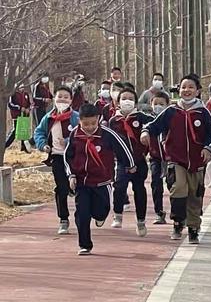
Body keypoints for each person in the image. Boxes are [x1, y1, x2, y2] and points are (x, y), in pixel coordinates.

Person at [140, 74, 211, 244]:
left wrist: (207, 148)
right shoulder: (171, 111)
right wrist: (145, 133)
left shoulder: (203, 112)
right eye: (183, 87)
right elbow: (153, 125)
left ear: (198, 91)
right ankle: (177, 223)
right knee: (178, 188)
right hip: (176, 159)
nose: (187, 90)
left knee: (194, 194)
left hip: (197, 162)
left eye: (191, 87)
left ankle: (193, 228)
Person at [64, 103, 136, 255]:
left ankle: (99, 216)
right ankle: (85, 244)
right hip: (81, 182)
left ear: (98, 119)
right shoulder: (75, 135)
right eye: (85, 124)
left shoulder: (107, 134)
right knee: (82, 213)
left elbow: (122, 148)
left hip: (102, 181)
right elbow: (67, 156)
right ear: (79, 121)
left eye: (92, 123)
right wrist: (71, 174)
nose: (89, 127)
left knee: (101, 211)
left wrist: (130, 164)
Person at [34, 86, 80, 234]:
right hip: (57, 157)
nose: (62, 99)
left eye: (66, 97)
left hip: (75, 157)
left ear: (71, 100)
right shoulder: (48, 118)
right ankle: (63, 219)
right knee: (61, 187)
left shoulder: (76, 117)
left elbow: (82, 134)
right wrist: (43, 145)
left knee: (79, 187)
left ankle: (82, 215)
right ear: (54, 98)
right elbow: (39, 132)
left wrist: (68, 142)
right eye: (59, 96)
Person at [108, 88, 154, 236]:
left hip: (139, 160)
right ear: (118, 102)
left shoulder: (142, 118)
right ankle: (117, 214)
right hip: (122, 162)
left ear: (135, 101)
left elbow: (154, 127)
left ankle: (141, 221)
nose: (127, 101)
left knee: (139, 189)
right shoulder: (113, 121)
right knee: (119, 186)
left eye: (130, 98)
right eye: (124, 98)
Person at [149, 93, 170, 224]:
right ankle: (159, 212)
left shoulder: (172, 119)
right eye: (155, 104)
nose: (158, 106)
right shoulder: (148, 120)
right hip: (155, 157)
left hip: (171, 158)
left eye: (161, 104)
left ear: (167, 105)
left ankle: (178, 213)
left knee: (172, 184)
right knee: (156, 184)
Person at [6, 85, 32, 153]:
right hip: (17, 115)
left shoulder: (26, 94)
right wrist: (20, 108)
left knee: (24, 131)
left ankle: (24, 147)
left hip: (25, 115)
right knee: (15, 131)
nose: (22, 88)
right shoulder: (13, 94)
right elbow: (10, 104)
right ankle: (5, 145)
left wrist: (28, 109)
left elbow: (29, 104)